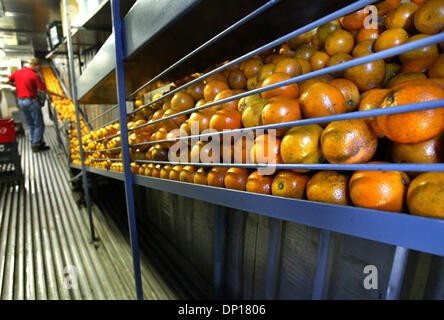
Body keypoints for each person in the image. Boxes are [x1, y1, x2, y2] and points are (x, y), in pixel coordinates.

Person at [6, 58, 65, 152]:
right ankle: (37, 145)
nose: (39, 69)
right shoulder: (34, 76)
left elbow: (8, 81)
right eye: (39, 67)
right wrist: (59, 95)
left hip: (21, 101)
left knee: (30, 123)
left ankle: (33, 141)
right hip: (31, 102)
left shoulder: (18, 72)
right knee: (39, 124)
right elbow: (43, 90)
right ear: (34, 65)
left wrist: (19, 86)